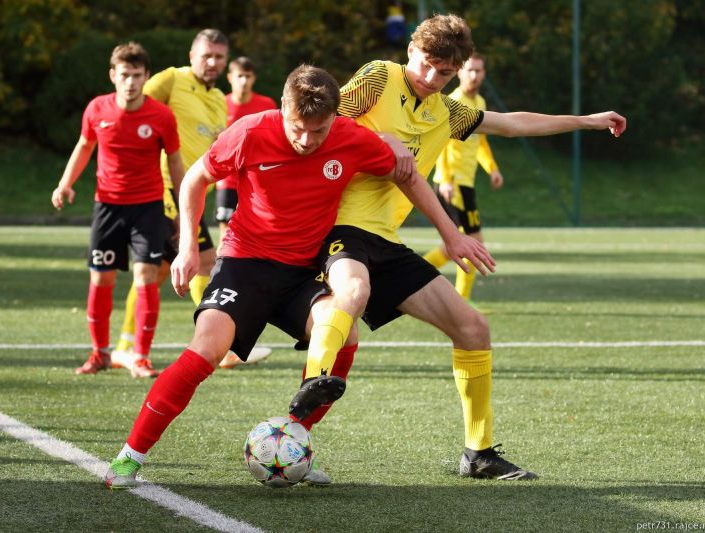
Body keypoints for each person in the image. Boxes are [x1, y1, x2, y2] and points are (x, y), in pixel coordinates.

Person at [288, 13, 626, 482]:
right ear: (411, 51)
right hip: (336, 226)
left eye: (444, 73)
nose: (432, 78)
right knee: (352, 290)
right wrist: (378, 138)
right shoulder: (378, 77)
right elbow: (319, 120)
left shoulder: (447, 112)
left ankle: (479, 453)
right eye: (427, 65)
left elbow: (510, 124)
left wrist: (587, 121)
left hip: (386, 239)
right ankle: (313, 389)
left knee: (472, 327)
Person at [103, 64, 410, 489]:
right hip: (244, 265)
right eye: (298, 128)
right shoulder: (250, 131)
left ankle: (292, 441)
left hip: (302, 272)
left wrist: (398, 148)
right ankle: (128, 458)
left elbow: (403, 170)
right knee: (206, 349)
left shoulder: (351, 138)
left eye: (318, 131)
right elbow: (195, 179)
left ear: (335, 120)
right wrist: (189, 247)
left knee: (344, 334)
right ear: (283, 109)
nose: (306, 140)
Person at [50, 42, 183, 377]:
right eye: (124, 75)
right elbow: (84, 146)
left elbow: (176, 162)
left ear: (146, 76)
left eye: (137, 75)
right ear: (113, 75)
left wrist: (183, 208)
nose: (130, 82)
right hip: (107, 206)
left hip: (149, 207)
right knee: (101, 278)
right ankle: (100, 353)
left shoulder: (161, 116)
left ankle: (140, 357)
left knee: (146, 277)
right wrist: (65, 184)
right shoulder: (97, 109)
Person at [110, 29, 231, 375]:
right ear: (192, 53)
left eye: (219, 57)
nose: (212, 62)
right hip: (165, 192)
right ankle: (218, 344)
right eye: (206, 55)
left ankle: (125, 345)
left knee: (186, 267)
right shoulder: (172, 80)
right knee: (195, 264)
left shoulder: (219, 99)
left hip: (193, 197)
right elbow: (132, 106)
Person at [423, 53, 504, 310]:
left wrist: (492, 168)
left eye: (478, 71)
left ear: (484, 73)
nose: (474, 75)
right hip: (452, 184)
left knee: (454, 248)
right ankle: (462, 301)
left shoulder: (479, 101)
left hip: (466, 184)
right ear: (459, 72)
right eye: (469, 70)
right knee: (473, 243)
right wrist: (445, 178)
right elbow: (442, 144)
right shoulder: (453, 101)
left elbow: (481, 142)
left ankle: (408, 277)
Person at [215, 56, 278, 370]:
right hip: (228, 182)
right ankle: (225, 334)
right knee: (230, 252)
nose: (243, 81)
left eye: (248, 76)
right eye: (239, 75)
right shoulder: (219, 103)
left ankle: (229, 338)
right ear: (230, 77)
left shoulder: (265, 103)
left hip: (258, 184)